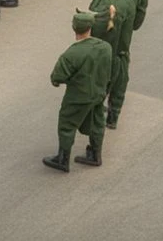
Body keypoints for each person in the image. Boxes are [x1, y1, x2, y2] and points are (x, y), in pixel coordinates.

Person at [42, 10, 111, 172]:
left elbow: (56, 77)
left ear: (74, 29)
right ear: (90, 27)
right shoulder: (105, 47)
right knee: (97, 122)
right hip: (99, 93)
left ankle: (62, 159)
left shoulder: (71, 53)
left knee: (67, 124)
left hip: (78, 96)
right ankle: (95, 154)